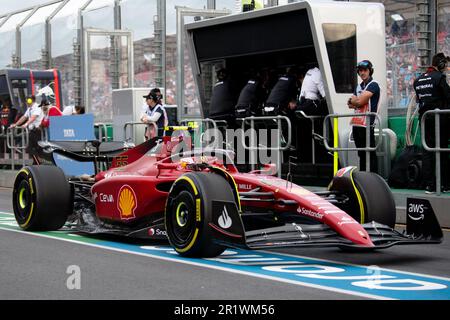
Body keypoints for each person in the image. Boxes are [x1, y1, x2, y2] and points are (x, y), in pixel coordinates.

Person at [413, 52, 450, 193]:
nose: (446, 68)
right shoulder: (439, 77)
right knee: (441, 151)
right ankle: (444, 184)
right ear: (440, 65)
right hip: (439, 120)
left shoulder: (418, 80)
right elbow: (448, 95)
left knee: (427, 151)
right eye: (445, 65)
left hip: (424, 120)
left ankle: (429, 185)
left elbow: (420, 99)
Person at [347, 60, 380, 173]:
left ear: (370, 71)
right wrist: (357, 101)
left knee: (369, 153)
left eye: (365, 70)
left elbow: (359, 102)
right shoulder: (359, 86)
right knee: (361, 153)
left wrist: (357, 100)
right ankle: (363, 177)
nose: (362, 73)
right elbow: (350, 104)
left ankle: (373, 178)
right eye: (360, 70)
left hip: (367, 124)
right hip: (357, 123)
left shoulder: (374, 84)